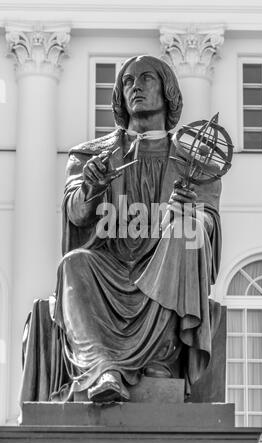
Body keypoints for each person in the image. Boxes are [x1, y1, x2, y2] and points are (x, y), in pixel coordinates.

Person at [44, 55, 222, 403]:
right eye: (127, 81)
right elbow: (75, 215)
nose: (136, 86)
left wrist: (192, 215)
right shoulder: (90, 156)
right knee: (73, 265)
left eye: (147, 78)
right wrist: (91, 189)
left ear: (167, 91)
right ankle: (102, 369)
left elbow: (210, 223)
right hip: (109, 265)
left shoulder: (194, 162)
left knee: (184, 235)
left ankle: (163, 357)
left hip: (164, 264)